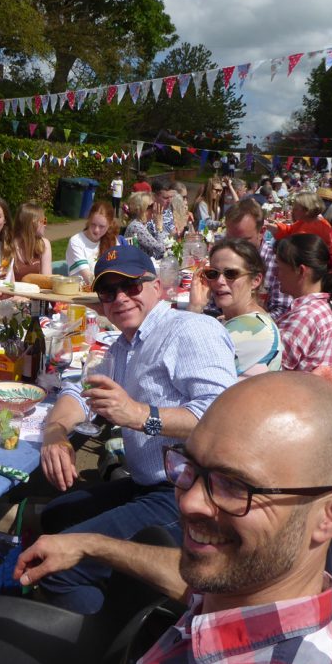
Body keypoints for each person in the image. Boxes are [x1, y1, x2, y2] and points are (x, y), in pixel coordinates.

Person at [10, 372, 332, 664]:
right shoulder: (261, 592)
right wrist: (90, 545)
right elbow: (190, 583)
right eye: (189, 468)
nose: (190, 500)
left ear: (331, 515)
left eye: (235, 485)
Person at [37, 244, 237, 613]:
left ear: (156, 286)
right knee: (53, 515)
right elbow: (78, 393)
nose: (120, 297)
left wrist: (140, 415)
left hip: (191, 493)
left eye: (131, 285)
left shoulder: (190, 330)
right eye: (109, 291)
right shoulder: (125, 345)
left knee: (59, 563)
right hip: (147, 483)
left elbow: (221, 417)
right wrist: (55, 433)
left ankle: (119, 657)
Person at [187, 238, 283, 378]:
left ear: (255, 280)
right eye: (213, 274)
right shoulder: (235, 320)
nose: (220, 282)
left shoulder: (254, 329)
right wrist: (196, 305)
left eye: (231, 274)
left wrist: (194, 309)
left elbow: (183, 362)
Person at [275, 234, 332, 372]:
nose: (276, 274)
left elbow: (271, 370)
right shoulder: (324, 304)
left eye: (279, 268)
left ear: (301, 271)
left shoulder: (303, 317)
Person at [222, 199, 292, 321]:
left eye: (244, 240)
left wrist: (244, 321)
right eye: (230, 238)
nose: (235, 246)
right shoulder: (222, 258)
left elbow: (283, 311)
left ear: (262, 232)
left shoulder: (276, 265)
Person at [66, 200, 122, 286]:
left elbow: (119, 270)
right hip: (81, 293)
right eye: (93, 224)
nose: (96, 230)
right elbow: (89, 278)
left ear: (109, 224)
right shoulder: (76, 241)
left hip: (106, 291)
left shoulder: (112, 241)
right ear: (88, 220)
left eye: (101, 226)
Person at [275, 191, 332, 256]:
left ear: (307, 210)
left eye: (296, 208)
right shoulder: (303, 221)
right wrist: (275, 227)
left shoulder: (322, 226)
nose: (293, 211)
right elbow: (290, 230)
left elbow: (320, 252)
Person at [10, 202, 52, 281]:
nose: (45, 224)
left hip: (36, 292)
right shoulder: (10, 246)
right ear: (33, 224)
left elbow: (46, 279)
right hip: (14, 292)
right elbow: (9, 284)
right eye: (44, 221)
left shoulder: (44, 244)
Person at [122, 191, 165, 260]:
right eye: (151, 206)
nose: (154, 209)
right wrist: (159, 227)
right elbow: (160, 250)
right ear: (143, 209)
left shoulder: (143, 224)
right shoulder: (136, 227)